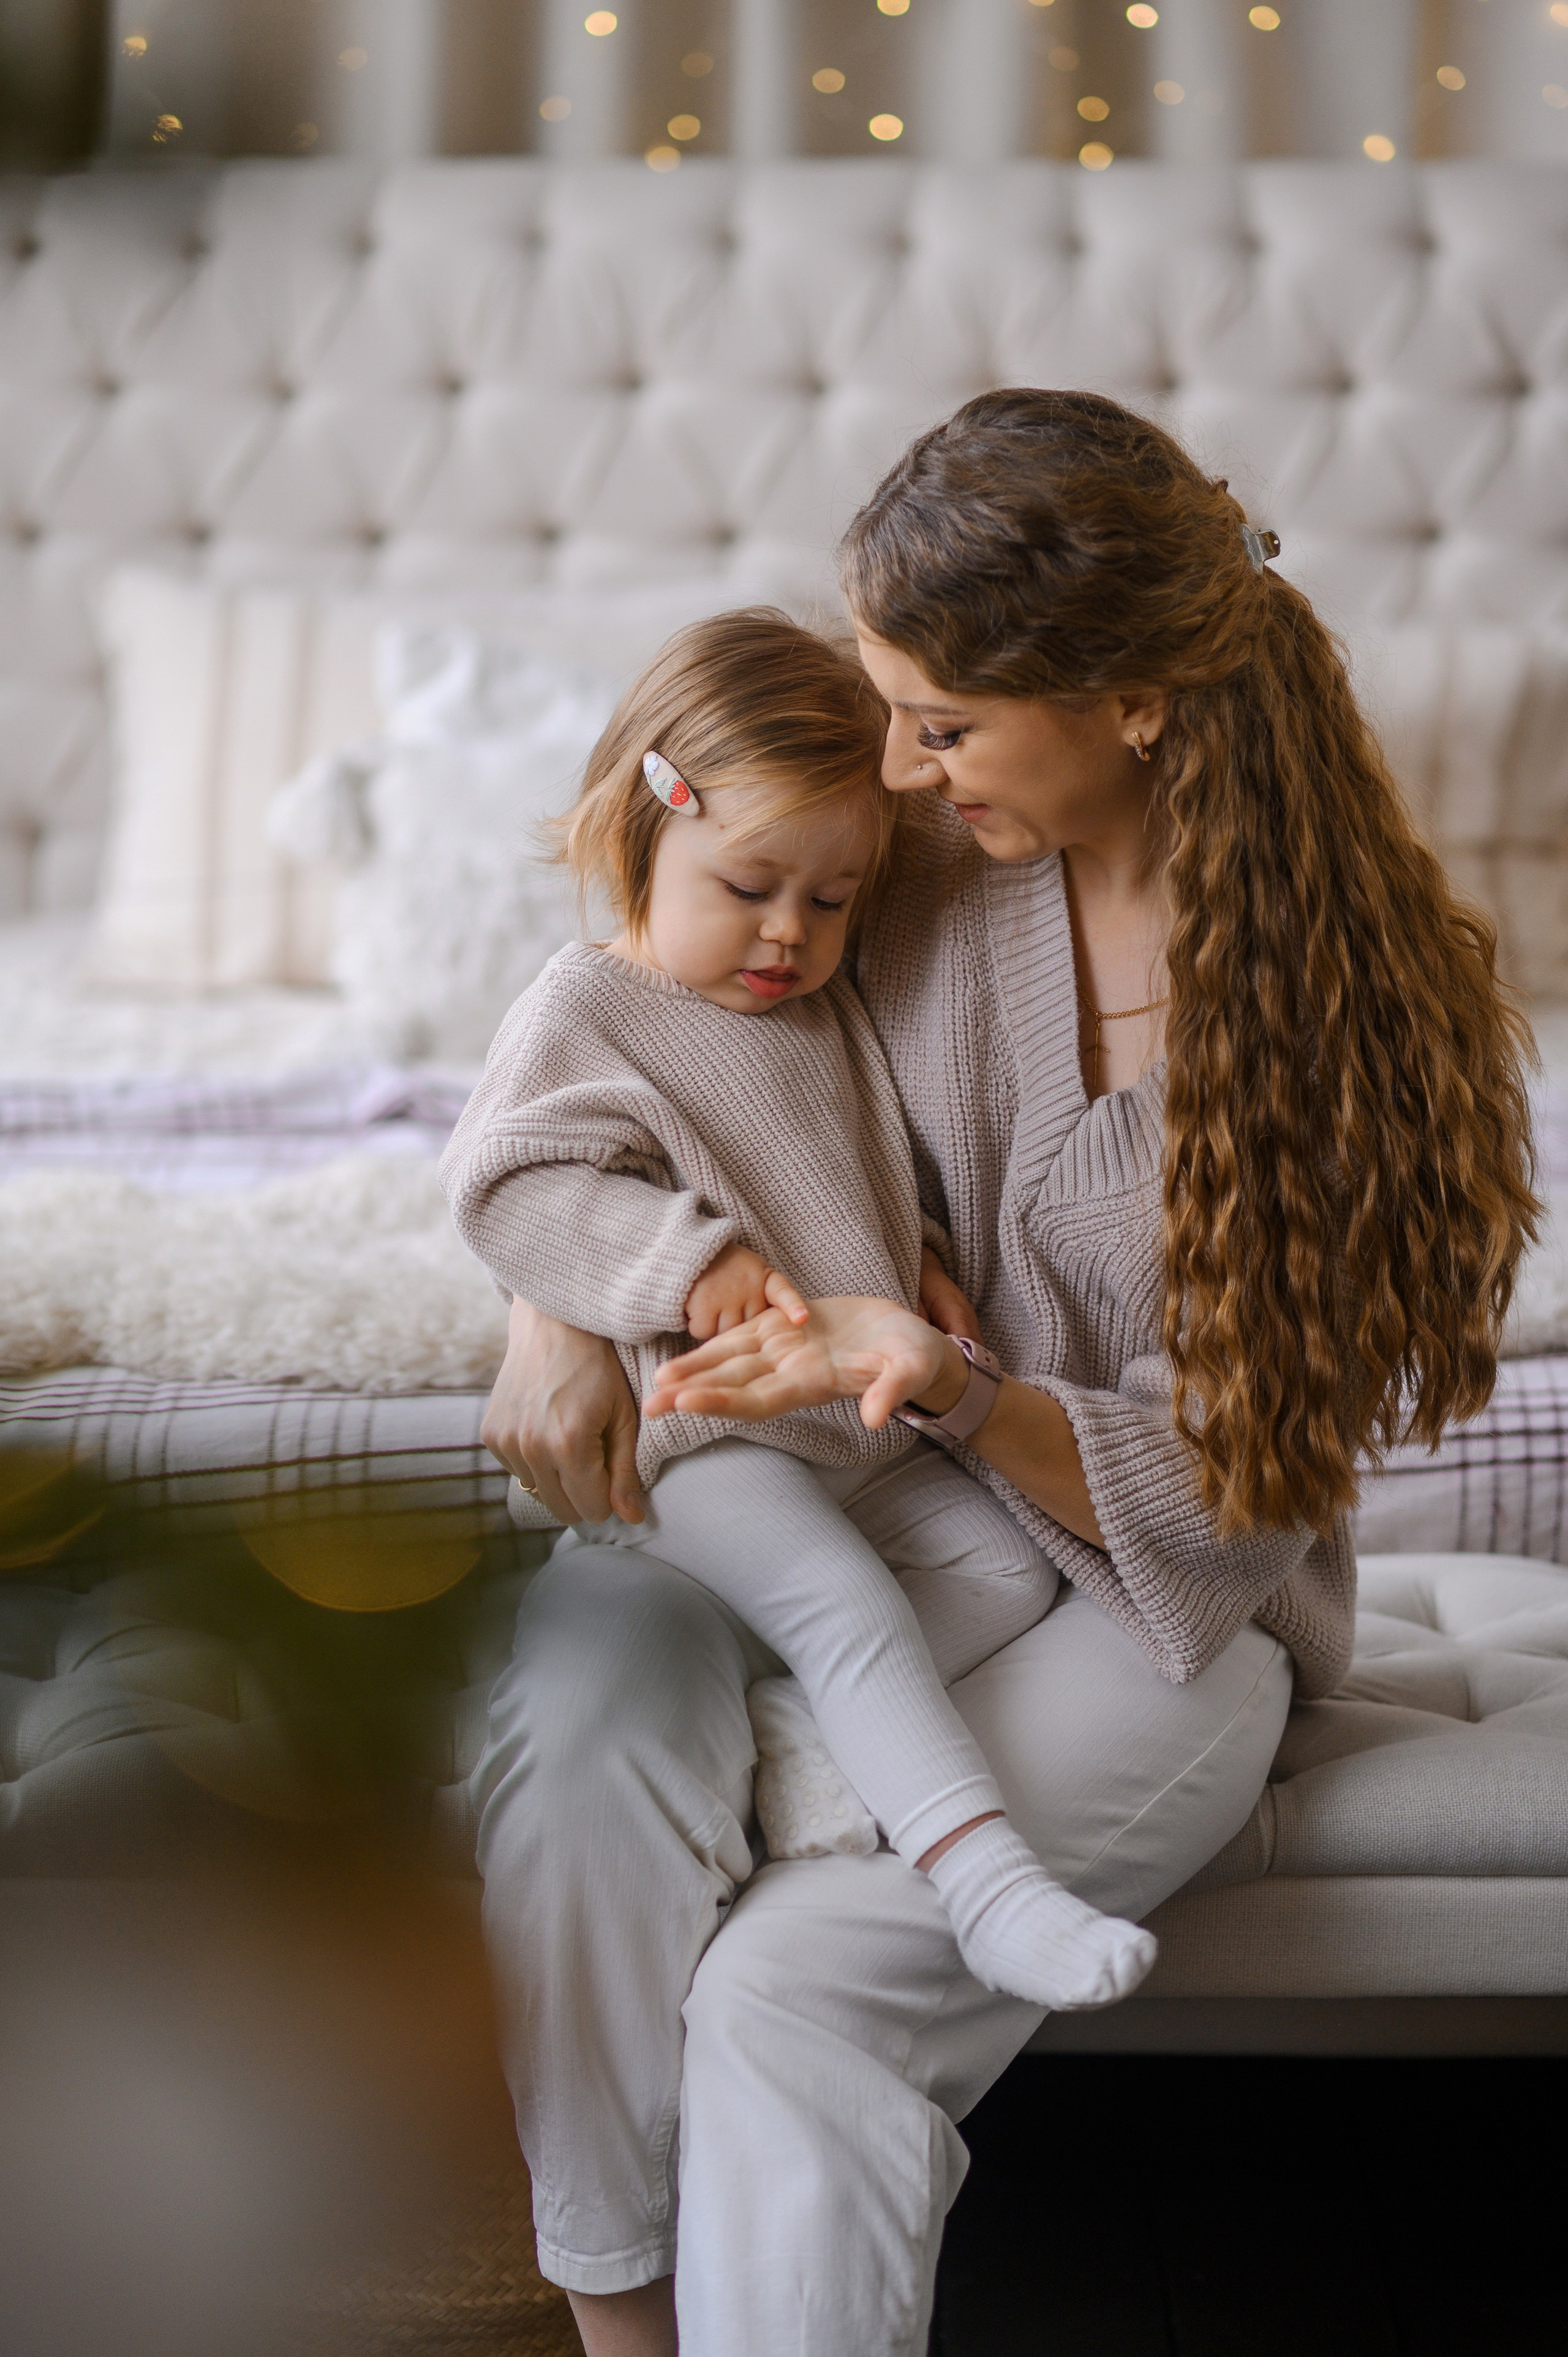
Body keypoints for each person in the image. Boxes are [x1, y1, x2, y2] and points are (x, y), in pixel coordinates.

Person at [473, 390, 1539, 2357]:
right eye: (893, 709)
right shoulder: (929, 872)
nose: (896, 765)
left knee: (791, 1993)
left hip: (1157, 1605)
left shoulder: (1341, 1037)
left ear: (1131, 698)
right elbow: (651, 1036)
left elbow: (1239, 1504)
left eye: (943, 724)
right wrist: (570, 1299)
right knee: (584, 1713)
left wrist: (948, 1383)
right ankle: (611, 2312)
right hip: (839, 1492)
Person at [440, 609, 1154, 2011]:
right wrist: (684, 1266)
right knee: (843, 1612)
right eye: (751, 884)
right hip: (712, 1433)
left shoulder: (818, 1010)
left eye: (830, 902)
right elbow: (508, 1182)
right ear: (635, 832)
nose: (787, 932)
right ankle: (990, 1888)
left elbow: (860, 1179)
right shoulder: (590, 1007)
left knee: (1014, 1564)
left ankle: (816, 1729)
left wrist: (928, 1263)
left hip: (861, 1424)